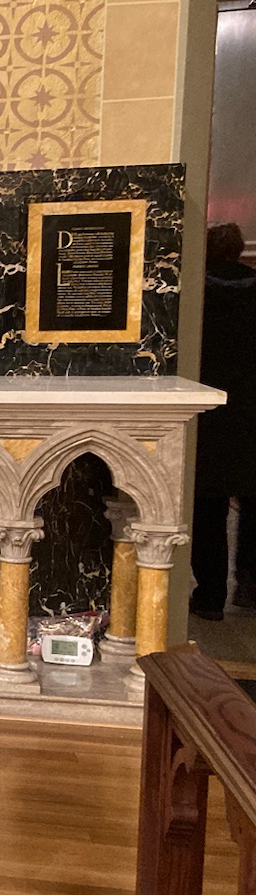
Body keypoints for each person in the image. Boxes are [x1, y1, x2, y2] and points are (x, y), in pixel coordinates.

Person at [191, 222, 256, 619]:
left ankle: (210, 595)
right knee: (252, 505)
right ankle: (249, 586)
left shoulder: (199, 296)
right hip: (253, 413)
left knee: (208, 508)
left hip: (213, 413)